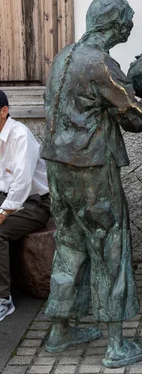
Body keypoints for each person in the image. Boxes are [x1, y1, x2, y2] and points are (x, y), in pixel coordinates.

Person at [41, 0, 142, 368]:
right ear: (115, 25)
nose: (131, 28)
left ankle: (59, 330)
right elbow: (136, 117)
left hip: (57, 165)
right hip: (90, 169)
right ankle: (116, 344)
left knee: (69, 243)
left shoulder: (64, 56)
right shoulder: (100, 63)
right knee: (109, 247)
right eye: (128, 22)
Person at [0, 90, 51, 322]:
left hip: (35, 203)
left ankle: (4, 299)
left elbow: (21, 182)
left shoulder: (20, 135)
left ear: (4, 111)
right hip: (5, 197)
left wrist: (4, 211)